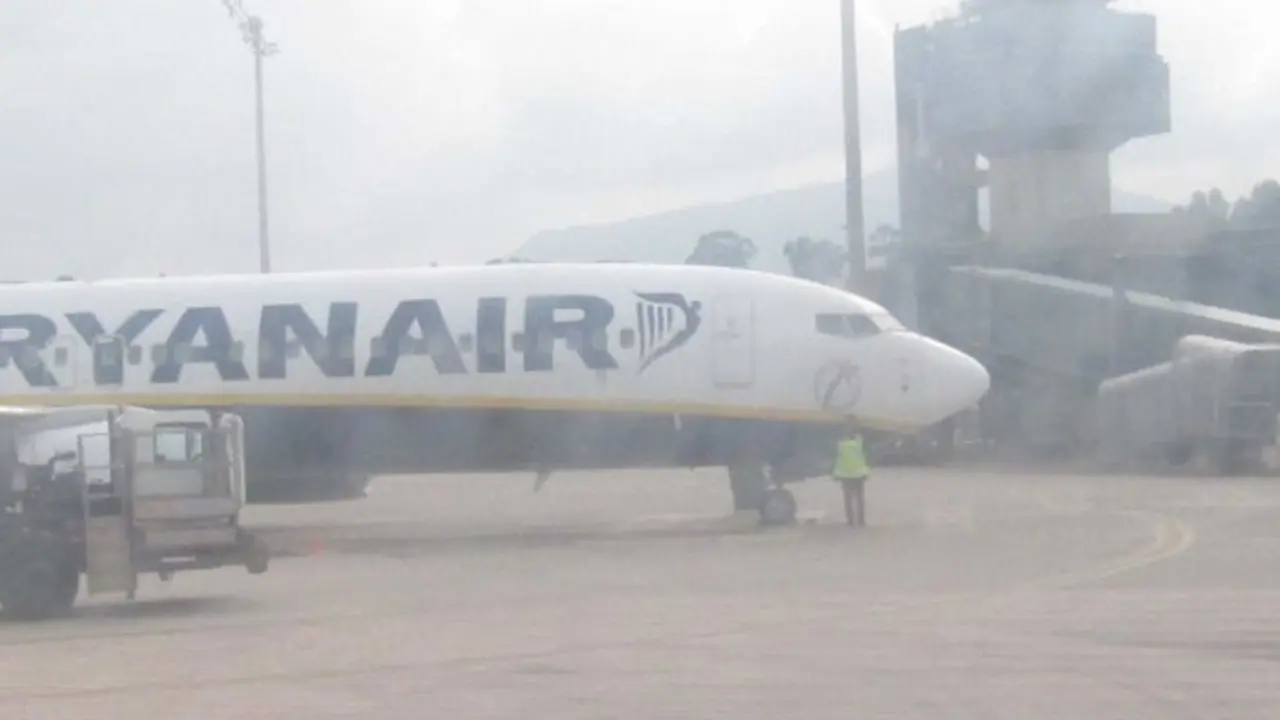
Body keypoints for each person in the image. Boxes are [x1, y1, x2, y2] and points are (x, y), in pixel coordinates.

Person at [832, 418, 870, 527]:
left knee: (848, 498)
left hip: (846, 474)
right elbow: (864, 457)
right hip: (858, 473)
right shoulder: (860, 441)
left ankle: (850, 520)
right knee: (859, 498)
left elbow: (839, 459)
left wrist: (836, 474)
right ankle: (861, 520)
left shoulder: (841, 443)